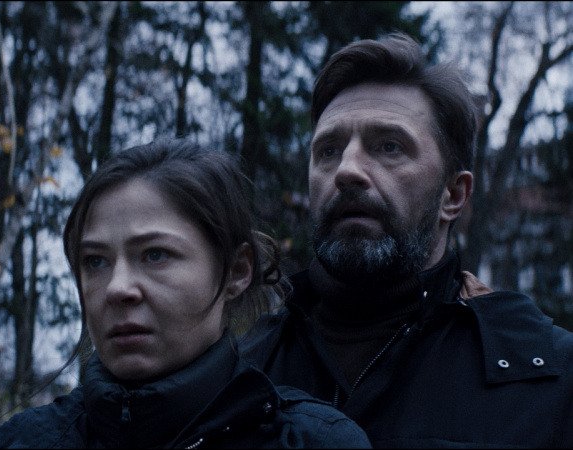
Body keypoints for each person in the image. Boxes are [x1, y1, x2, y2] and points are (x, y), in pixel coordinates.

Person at [240, 33, 573, 447]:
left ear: (453, 195)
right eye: (328, 151)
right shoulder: (243, 374)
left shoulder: (547, 379)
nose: (347, 170)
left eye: (389, 147)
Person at [0, 139, 370, 448]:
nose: (118, 288)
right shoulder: (15, 443)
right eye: (95, 261)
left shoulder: (314, 442)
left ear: (237, 271)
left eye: (155, 255)